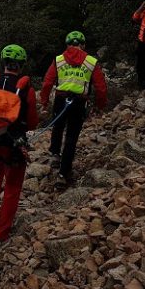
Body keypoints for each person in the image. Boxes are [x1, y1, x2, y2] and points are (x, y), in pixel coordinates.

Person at [0, 44, 39, 242]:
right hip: (14, 145)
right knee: (12, 188)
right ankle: (0, 233)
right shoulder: (26, 90)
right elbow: (31, 122)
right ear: (20, 65)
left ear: (4, 63)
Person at [40, 31, 107, 188]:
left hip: (61, 99)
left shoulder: (58, 60)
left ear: (67, 44)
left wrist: (44, 101)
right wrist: (100, 105)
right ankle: (63, 174)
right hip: (79, 102)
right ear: (82, 45)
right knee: (71, 137)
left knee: (57, 125)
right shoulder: (91, 61)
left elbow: (47, 82)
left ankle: (55, 154)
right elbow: (100, 87)